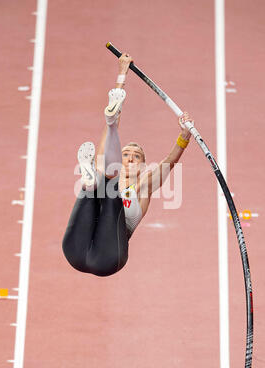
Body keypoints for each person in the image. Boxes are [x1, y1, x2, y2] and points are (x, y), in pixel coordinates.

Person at [62, 53, 194, 277]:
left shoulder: (144, 186)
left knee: (108, 183)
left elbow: (169, 162)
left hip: (109, 257)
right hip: (76, 247)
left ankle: (91, 182)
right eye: (126, 154)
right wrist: (121, 75)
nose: (131, 158)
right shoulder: (110, 167)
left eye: (137, 156)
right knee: (104, 170)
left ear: (144, 166)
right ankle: (89, 182)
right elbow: (109, 138)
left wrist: (184, 136)